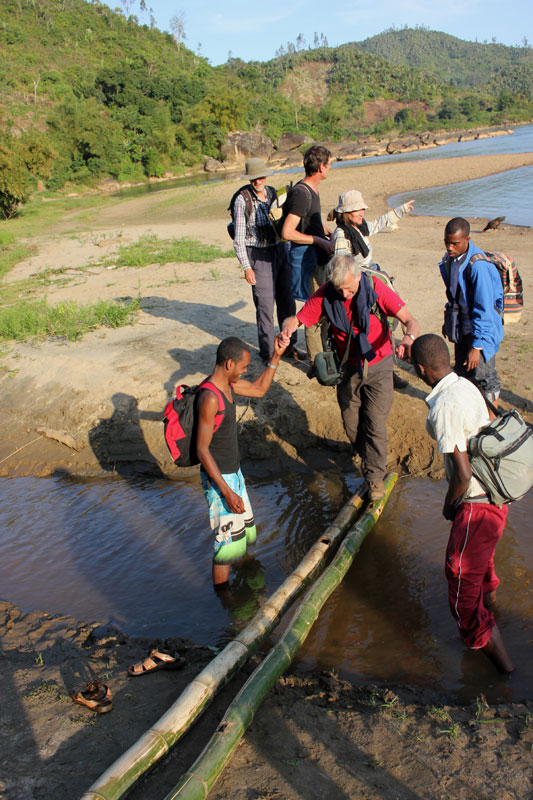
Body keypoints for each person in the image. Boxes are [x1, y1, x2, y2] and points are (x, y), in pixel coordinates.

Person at [411, 333, 513, 673]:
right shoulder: (466, 385)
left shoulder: (445, 407)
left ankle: (504, 671)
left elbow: (463, 476)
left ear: (421, 369)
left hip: (477, 505)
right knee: (482, 571)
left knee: (461, 593)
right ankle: (492, 621)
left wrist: (447, 508)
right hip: (496, 498)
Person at [280, 254, 419, 500]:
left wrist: (408, 339)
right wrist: (287, 329)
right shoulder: (326, 293)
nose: (345, 294)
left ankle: (374, 479)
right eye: (340, 290)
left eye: (350, 289)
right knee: (351, 424)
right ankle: (370, 458)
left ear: (358, 277)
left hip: (379, 364)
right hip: (348, 368)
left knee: (374, 424)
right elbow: (299, 318)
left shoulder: (376, 288)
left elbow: (410, 321)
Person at [196, 336, 287, 587]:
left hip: (233, 474)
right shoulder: (210, 397)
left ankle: (243, 579)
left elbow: (259, 389)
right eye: (243, 366)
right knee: (225, 548)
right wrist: (227, 493)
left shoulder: (228, 386)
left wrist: (276, 356)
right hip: (220, 481)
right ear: (228, 364)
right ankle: (223, 599)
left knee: (242, 535)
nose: (246, 370)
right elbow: (202, 450)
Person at [331, 189, 415, 389]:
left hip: (371, 280)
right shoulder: (342, 235)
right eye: (358, 209)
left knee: (386, 323)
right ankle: (379, 370)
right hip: (362, 288)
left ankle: (388, 366)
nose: (362, 212)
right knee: (372, 326)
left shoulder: (359, 228)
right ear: (347, 212)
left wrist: (400, 210)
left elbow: (379, 224)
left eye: (362, 208)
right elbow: (342, 268)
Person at [233, 158, 298, 363]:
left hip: (280, 252)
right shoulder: (242, 200)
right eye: (254, 177)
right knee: (265, 306)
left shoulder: (273, 193)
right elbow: (238, 240)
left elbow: (286, 224)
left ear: (266, 176)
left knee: (287, 302)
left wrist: (287, 251)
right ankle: (269, 352)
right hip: (258, 256)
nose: (258, 181)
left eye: (261, 176)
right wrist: (246, 267)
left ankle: (289, 347)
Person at [440, 217, 504, 406]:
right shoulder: (451, 260)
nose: (449, 247)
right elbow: (455, 296)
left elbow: (485, 311)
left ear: (467, 240)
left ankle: (492, 423)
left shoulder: (479, 267)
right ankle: (473, 414)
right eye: (447, 242)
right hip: (463, 328)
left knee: (485, 377)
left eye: (455, 243)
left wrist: (477, 347)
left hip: (480, 333)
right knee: (463, 373)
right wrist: (449, 319)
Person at [281, 145, 334, 362]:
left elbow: (308, 223)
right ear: (321, 167)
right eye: (329, 165)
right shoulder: (302, 193)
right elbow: (287, 231)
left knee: (322, 308)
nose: (330, 168)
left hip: (317, 257)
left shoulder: (312, 190)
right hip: (308, 260)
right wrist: (319, 239)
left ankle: (322, 356)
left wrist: (327, 231)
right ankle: (317, 362)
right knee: (313, 311)